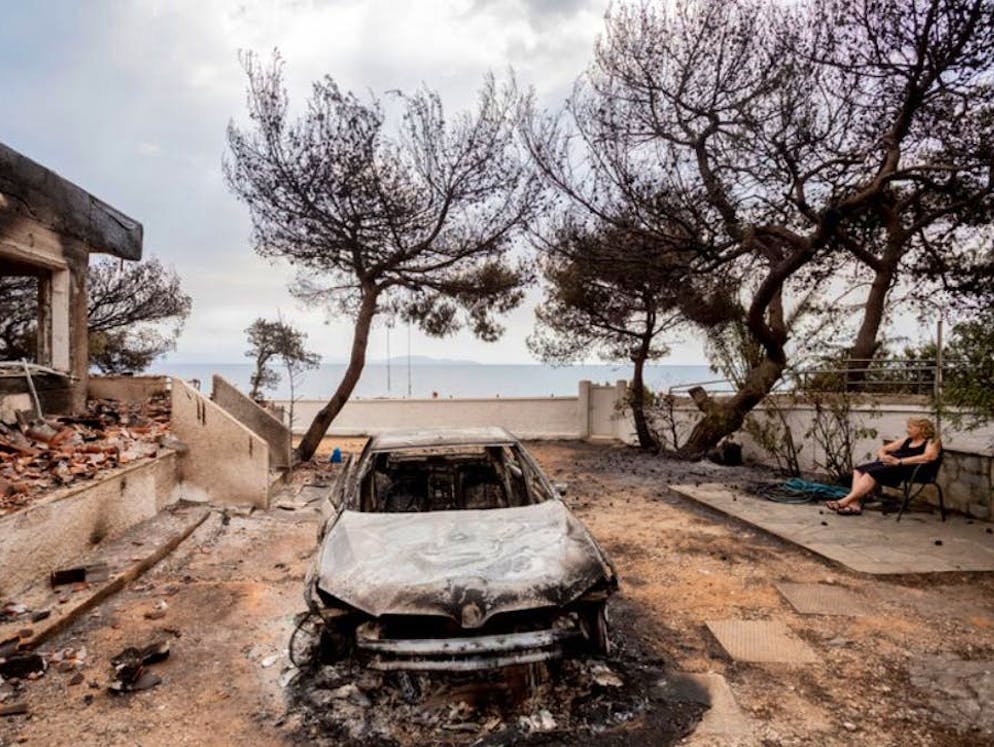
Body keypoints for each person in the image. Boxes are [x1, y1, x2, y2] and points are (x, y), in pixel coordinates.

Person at [826, 417, 941, 515]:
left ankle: (843, 501)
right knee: (859, 470)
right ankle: (854, 504)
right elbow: (883, 449)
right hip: (893, 465)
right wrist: (882, 456)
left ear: (921, 429)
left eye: (910, 427)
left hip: (910, 469)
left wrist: (900, 461)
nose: (907, 430)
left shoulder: (932, 441)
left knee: (871, 473)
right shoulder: (907, 440)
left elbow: (929, 457)